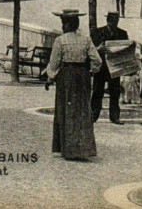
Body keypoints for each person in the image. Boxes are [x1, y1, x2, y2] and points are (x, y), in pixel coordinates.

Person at [45, 9, 102, 160]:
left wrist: (50, 77)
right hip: (82, 77)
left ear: (67, 24)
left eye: (63, 23)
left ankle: (67, 149)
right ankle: (83, 148)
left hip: (67, 78)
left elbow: (54, 63)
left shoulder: (60, 41)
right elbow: (97, 60)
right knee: (82, 110)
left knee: (66, 110)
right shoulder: (86, 40)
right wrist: (91, 70)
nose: (62, 26)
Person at [90, 11, 129, 125]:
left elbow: (125, 49)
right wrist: (99, 49)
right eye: (112, 21)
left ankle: (115, 117)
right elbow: (91, 49)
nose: (114, 24)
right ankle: (93, 115)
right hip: (101, 67)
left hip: (115, 68)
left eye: (116, 21)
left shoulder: (122, 33)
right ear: (108, 21)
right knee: (97, 92)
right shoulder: (98, 32)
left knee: (115, 92)